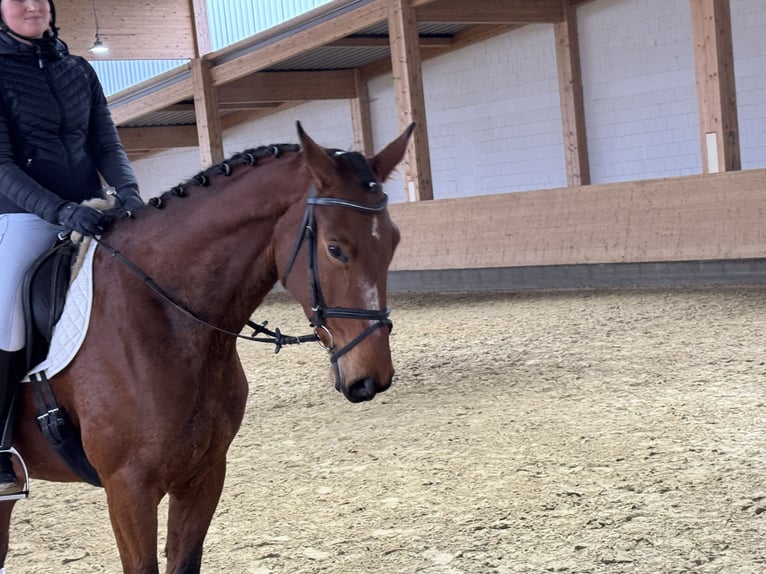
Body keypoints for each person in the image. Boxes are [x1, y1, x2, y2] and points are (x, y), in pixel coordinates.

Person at [0, 0, 143, 495]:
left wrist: (129, 194)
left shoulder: (78, 68)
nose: (32, 4)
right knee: (7, 312)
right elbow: (1, 165)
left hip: (93, 209)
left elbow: (107, 143)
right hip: (23, 217)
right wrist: (58, 211)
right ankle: (0, 449)